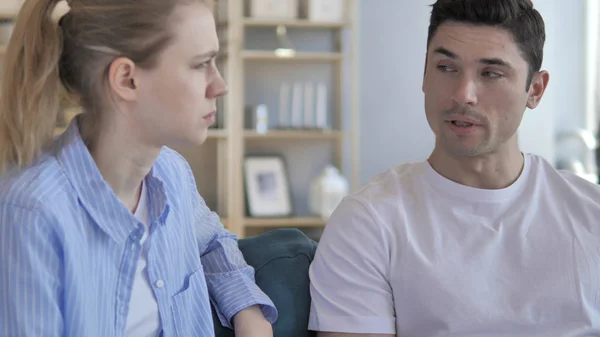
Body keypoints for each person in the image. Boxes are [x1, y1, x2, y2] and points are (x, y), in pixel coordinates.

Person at [308, 0, 600, 336]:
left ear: (534, 89)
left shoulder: (591, 214)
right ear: (424, 75)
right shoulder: (369, 222)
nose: (463, 95)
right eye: (446, 68)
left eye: (491, 73)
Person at [0, 0, 277, 336]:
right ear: (127, 79)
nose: (220, 85)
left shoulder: (172, 173)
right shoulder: (31, 212)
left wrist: (249, 314)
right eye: (201, 64)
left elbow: (212, 242)